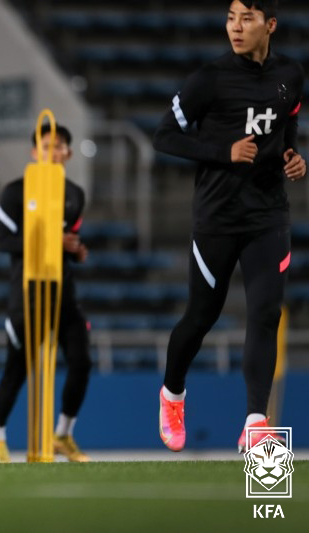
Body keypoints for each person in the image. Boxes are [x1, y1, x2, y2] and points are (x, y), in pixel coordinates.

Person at [153, 0, 305, 453]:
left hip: (268, 215)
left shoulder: (291, 75)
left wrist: (291, 157)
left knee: (265, 314)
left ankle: (256, 423)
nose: (235, 28)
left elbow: (288, 119)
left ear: (270, 25)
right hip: (217, 218)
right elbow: (165, 135)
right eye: (230, 18)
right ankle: (172, 394)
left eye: (247, 19)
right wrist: (224, 152)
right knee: (201, 317)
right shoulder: (209, 79)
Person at [0, 124, 93, 463]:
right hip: (27, 293)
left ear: (68, 154)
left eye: (58, 146)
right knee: (17, 369)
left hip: (63, 291)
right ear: (34, 152)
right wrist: (52, 242)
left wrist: (75, 251)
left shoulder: (74, 193)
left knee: (82, 361)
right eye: (45, 146)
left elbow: (69, 238)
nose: (52, 151)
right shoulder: (16, 192)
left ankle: (63, 433)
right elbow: (4, 241)